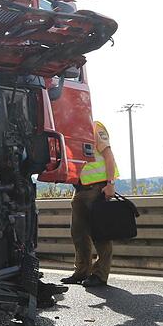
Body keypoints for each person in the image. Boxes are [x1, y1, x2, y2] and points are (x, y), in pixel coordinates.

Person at [62, 120, 118, 288]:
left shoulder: (94, 127)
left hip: (97, 189)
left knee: (100, 234)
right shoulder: (69, 132)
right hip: (80, 189)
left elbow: (108, 156)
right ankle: (82, 271)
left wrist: (110, 184)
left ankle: (100, 275)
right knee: (78, 233)